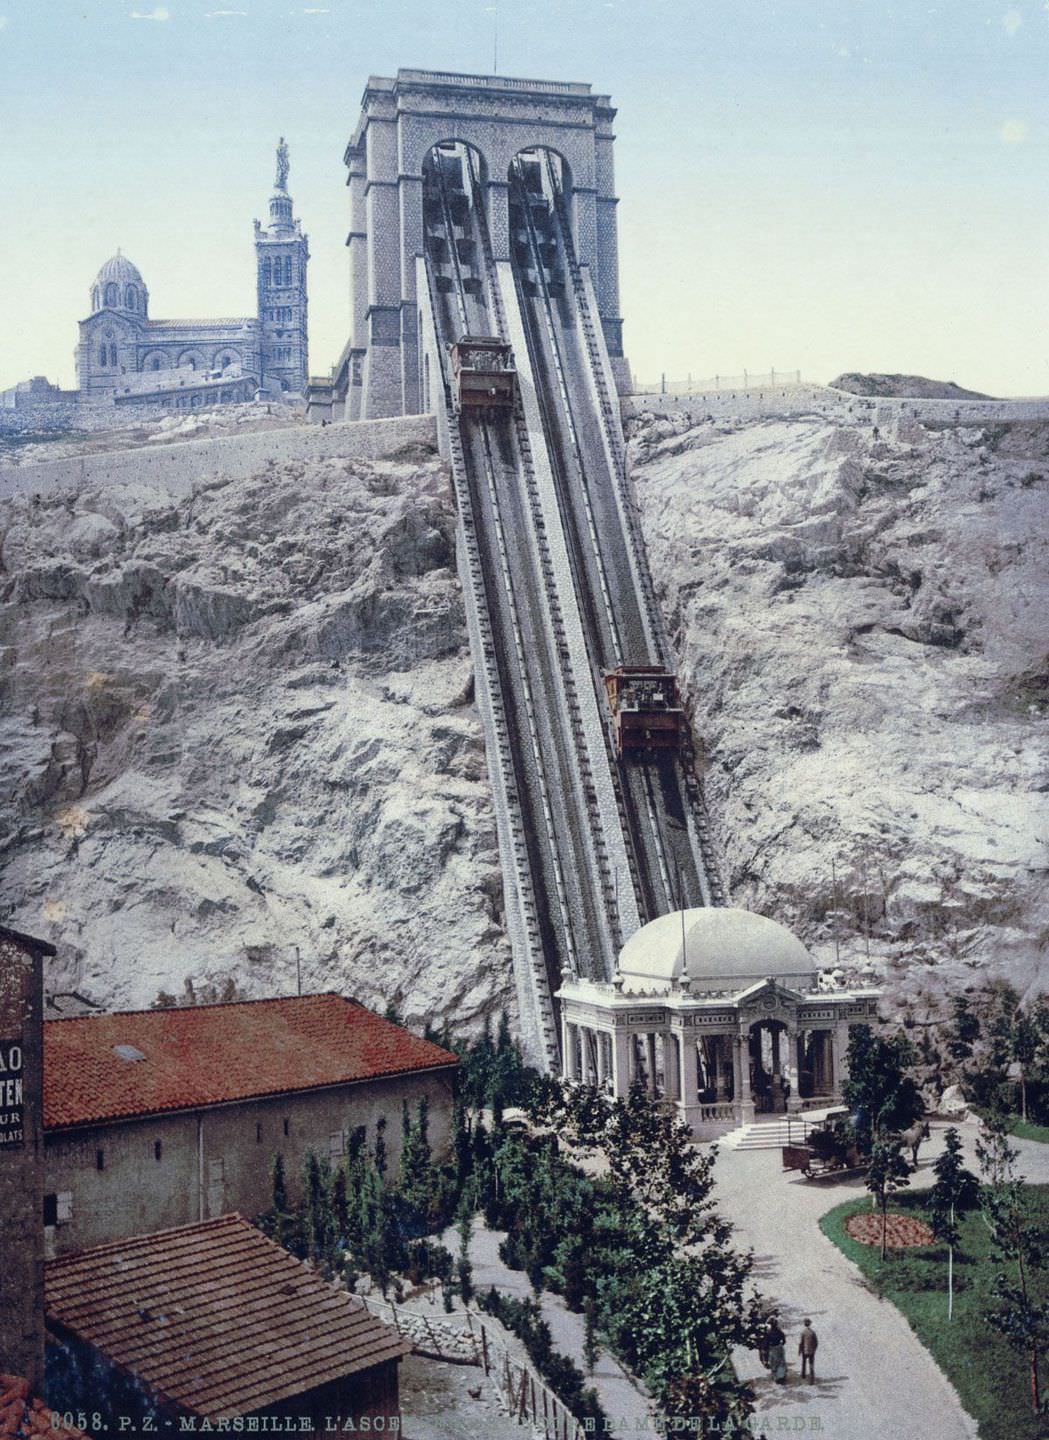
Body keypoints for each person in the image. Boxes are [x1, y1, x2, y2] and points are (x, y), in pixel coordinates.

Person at [765, 1319, 787, 1384]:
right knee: (781, 1362)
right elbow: (784, 1341)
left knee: (774, 1362)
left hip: (772, 1348)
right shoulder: (779, 1332)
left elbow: (766, 1342)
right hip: (779, 1347)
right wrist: (780, 1344)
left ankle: (776, 1377)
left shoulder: (768, 1332)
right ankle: (782, 1376)